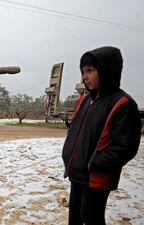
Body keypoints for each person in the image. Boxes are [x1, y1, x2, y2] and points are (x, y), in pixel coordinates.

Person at [62, 46, 141, 225]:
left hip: (97, 176)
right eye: (83, 72)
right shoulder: (85, 100)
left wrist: (95, 163)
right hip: (77, 172)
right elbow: (73, 130)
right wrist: (68, 153)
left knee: (91, 217)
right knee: (74, 217)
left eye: (90, 71)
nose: (84, 77)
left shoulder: (122, 104)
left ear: (106, 70)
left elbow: (125, 147)